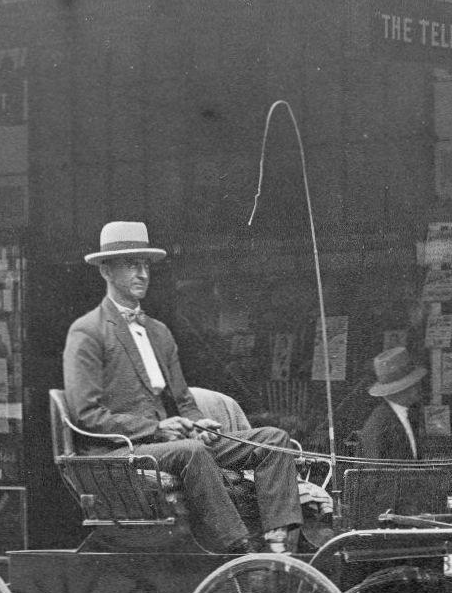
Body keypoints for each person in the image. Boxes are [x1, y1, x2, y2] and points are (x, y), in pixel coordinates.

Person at [63, 221, 302, 553]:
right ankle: (239, 548)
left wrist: (198, 422)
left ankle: (280, 542)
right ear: (106, 270)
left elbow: (183, 399)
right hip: (120, 451)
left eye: (146, 265)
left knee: (274, 440)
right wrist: (158, 429)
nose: (142, 273)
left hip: (171, 446)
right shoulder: (88, 332)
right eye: (132, 264)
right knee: (191, 452)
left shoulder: (159, 332)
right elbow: (87, 414)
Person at [354, 347, 427, 460]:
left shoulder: (410, 415)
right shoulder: (379, 424)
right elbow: (374, 473)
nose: (419, 387)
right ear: (398, 390)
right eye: (412, 383)